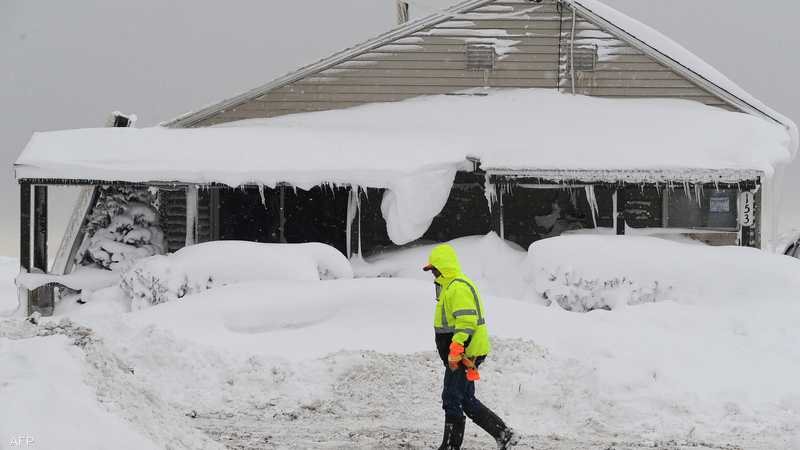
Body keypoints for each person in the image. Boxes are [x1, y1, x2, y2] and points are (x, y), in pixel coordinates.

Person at [423, 244, 518, 450]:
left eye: (434, 269)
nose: (433, 273)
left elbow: (467, 321)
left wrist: (456, 350)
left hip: (465, 353)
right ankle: (504, 434)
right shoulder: (451, 286)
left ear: (443, 266)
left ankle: (450, 446)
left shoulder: (457, 287)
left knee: (452, 397)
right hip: (466, 352)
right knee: (465, 399)